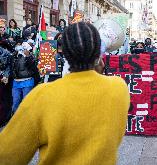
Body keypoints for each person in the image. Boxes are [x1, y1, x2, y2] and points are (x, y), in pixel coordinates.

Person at [0, 22, 130, 165]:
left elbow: (7, 155)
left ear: (64, 52)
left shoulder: (42, 96)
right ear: (98, 54)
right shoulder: (119, 88)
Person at [11, 42, 37, 114]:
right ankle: (15, 120)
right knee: (15, 102)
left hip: (27, 81)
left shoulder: (30, 56)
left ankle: (26, 120)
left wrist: (28, 56)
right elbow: (11, 67)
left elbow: (33, 67)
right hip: (16, 81)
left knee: (26, 102)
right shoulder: (14, 55)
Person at [0, 46, 13, 127]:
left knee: (4, 99)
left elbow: (8, 66)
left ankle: (3, 120)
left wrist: (6, 76)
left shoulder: (5, 52)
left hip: (3, 79)